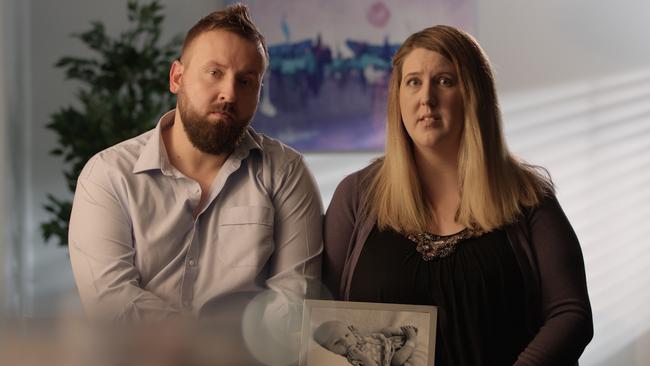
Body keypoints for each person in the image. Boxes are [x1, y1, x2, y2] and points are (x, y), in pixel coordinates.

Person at [323, 25, 593, 366]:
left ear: (474, 95)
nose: (426, 98)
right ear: (398, 97)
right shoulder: (356, 196)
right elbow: (322, 313)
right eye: (414, 82)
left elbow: (571, 315)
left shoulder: (528, 197)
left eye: (445, 81)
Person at [68, 2, 322, 351]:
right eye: (214, 72)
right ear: (177, 77)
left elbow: (296, 301)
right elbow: (112, 305)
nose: (229, 94)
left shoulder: (287, 172)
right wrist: (213, 346)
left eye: (246, 81)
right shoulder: (108, 175)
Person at [313, 320, 418, 366]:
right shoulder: (352, 358)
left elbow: (364, 338)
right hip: (389, 358)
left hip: (385, 342)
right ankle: (411, 340)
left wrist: (355, 332)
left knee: (385, 331)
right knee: (398, 360)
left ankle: (401, 333)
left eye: (346, 335)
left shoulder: (355, 339)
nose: (345, 341)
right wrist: (363, 358)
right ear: (328, 351)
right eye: (336, 342)